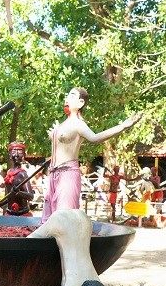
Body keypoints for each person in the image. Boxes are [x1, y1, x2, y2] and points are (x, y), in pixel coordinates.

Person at [42, 87, 141, 223]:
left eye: (72, 95)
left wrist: (122, 126)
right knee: (49, 222)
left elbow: (95, 137)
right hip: (53, 174)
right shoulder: (63, 124)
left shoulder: (78, 124)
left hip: (67, 175)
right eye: (67, 95)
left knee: (63, 220)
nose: (67, 98)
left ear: (81, 102)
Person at [0, 142, 34, 216]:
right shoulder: (9, 172)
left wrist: (19, 192)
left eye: (19, 152)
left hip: (22, 215)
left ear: (23, 155)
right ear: (10, 155)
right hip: (9, 213)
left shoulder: (22, 174)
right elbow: (10, 197)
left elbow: (31, 196)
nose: (16, 155)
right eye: (13, 152)